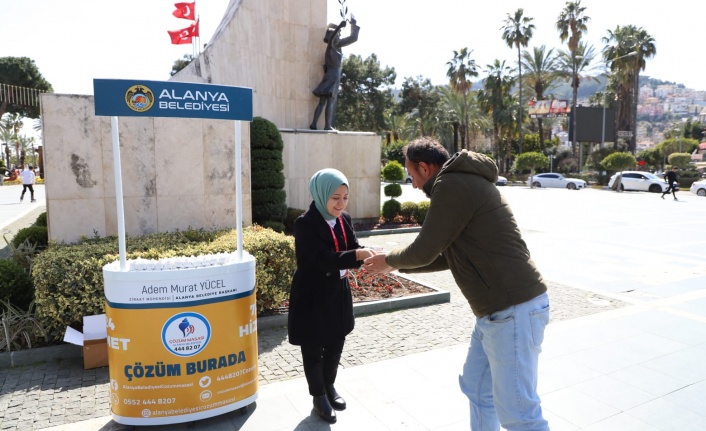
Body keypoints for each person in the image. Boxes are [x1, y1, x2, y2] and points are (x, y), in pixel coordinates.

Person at [364, 137, 550, 431]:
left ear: (424, 168)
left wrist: (390, 260)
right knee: (477, 389)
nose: (412, 184)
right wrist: (393, 262)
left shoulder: (451, 185)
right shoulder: (458, 182)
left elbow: (425, 250)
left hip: (512, 309)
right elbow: (447, 256)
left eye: (411, 175)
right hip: (497, 312)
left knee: (519, 414)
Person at [287, 168, 376, 424]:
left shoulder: (344, 218)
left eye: (345, 197)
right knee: (314, 348)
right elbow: (321, 260)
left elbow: (353, 247)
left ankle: (329, 386)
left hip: (338, 291)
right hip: (312, 295)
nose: (341, 203)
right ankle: (318, 397)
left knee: (336, 342)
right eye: (335, 197)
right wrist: (358, 256)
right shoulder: (305, 223)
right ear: (321, 193)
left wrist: (371, 255)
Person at [310, 17, 360, 131]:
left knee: (322, 102)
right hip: (333, 76)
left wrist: (353, 24)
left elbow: (353, 38)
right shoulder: (331, 46)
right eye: (338, 36)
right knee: (330, 102)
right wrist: (339, 27)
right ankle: (327, 125)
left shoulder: (336, 47)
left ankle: (314, 124)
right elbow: (332, 38)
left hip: (329, 76)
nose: (339, 37)